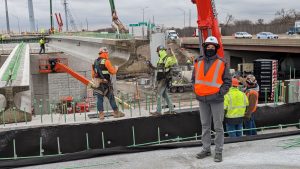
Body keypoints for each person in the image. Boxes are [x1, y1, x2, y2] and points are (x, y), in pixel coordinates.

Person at [192, 36, 231, 162]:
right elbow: (194, 79)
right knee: (205, 126)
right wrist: (196, 90)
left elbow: (227, 81)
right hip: (202, 99)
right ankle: (206, 149)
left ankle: (218, 151)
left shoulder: (222, 63)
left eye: (212, 47)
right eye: (208, 47)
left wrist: (220, 93)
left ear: (216, 48)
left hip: (216, 99)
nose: (210, 49)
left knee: (218, 127)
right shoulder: (198, 62)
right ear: (204, 48)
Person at [91, 47, 125, 120]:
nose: (107, 55)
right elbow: (112, 72)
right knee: (111, 98)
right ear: (105, 53)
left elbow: (93, 75)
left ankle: (101, 115)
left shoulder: (94, 62)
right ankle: (116, 113)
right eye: (107, 53)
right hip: (106, 84)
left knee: (99, 99)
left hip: (98, 84)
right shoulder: (106, 61)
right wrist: (116, 68)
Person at [150, 45, 178, 116]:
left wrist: (172, 55)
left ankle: (158, 111)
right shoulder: (160, 59)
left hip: (164, 79)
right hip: (160, 78)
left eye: (158, 52)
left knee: (158, 94)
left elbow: (174, 62)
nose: (157, 53)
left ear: (160, 51)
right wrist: (151, 66)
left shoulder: (167, 58)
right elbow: (159, 69)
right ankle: (171, 110)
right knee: (165, 95)